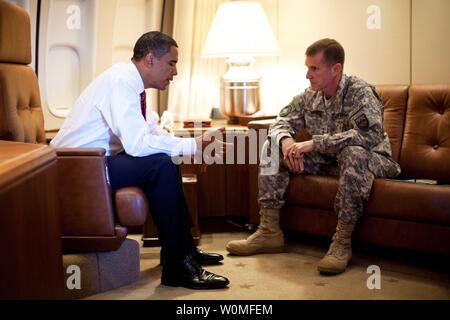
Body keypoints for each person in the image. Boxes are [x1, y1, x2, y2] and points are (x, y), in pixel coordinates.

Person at [51, 31, 230, 289]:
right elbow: (137, 144)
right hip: (77, 168)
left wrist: (194, 147)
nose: (175, 72)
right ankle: (177, 266)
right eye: (171, 63)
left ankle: (183, 251)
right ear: (150, 59)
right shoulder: (121, 82)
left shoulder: (132, 85)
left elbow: (150, 132)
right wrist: (192, 145)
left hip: (95, 162)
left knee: (166, 159)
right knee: (161, 164)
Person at [226, 38, 401, 274]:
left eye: (314, 68)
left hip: (372, 160)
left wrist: (313, 143)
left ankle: (341, 242)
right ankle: (269, 231)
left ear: (335, 69)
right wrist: (288, 143)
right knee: (272, 145)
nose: (308, 75)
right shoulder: (310, 96)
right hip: (330, 162)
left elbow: (368, 136)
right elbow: (281, 121)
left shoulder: (360, 92)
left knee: (354, 153)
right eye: (307, 67)